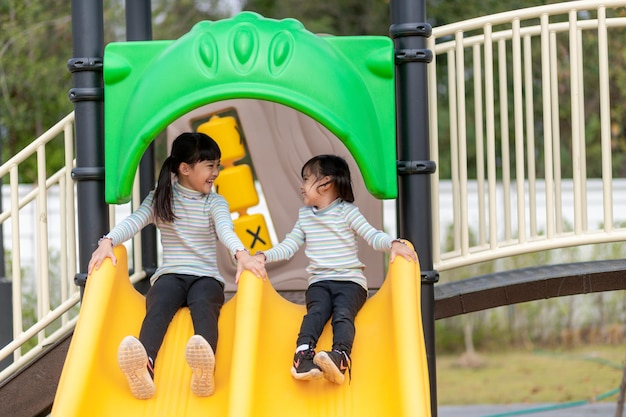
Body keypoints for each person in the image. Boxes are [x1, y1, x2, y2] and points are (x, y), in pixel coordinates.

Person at [88, 132, 266, 400]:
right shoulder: (162, 197)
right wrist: (107, 241)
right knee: (158, 304)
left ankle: (205, 368)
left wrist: (241, 253)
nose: (216, 172)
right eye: (210, 165)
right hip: (171, 275)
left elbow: (226, 230)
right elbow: (134, 221)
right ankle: (145, 366)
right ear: (185, 169)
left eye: (217, 165)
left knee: (205, 305)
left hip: (206, 277)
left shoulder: (215, 202)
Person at [254, 154, 417, 384]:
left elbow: (371, 235)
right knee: (316, 313)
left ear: (326, 183)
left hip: (350, 282)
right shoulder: (305, 217)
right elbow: (289, 246)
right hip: (319, 282)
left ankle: (340, 356)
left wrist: (392, 243)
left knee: (342, 313)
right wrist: (264, 256)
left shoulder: (347, 212)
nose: (301, 186)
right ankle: (303, 356)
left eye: (306, 179)